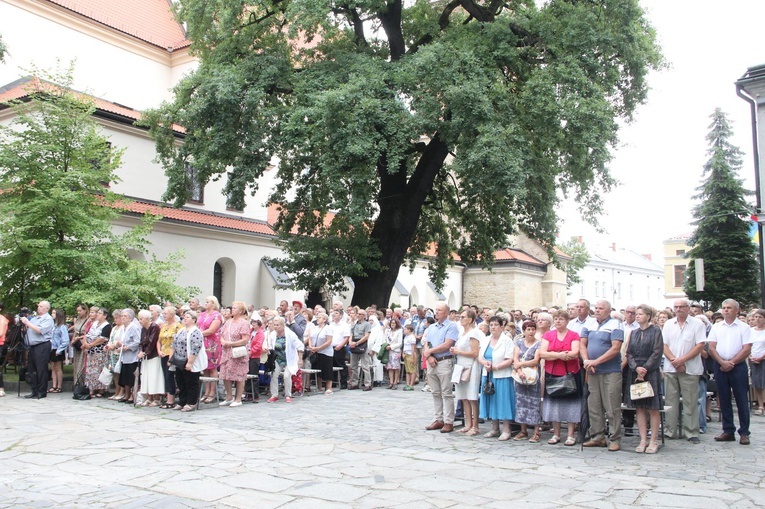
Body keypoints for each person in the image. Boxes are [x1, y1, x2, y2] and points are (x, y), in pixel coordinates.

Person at [708, 298, 753, 445]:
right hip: (720, 365)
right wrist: (722, 362)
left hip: (737, 366)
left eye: (729, 308)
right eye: (724, 308)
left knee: (741, 399)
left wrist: (731, 362)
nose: (726, 310)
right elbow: (712, 347)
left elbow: (746, 349)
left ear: (736, 310)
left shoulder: (744, 327)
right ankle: (728, 430)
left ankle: (744, 432)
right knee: (724, 399)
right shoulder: (717, 327)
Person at [661, 298, 707, 443]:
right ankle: (670, 430)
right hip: (671, 367)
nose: (679, 309)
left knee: (690, 401)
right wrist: (675, 361)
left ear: (688, 308)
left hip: (690, 368)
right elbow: (664, 345)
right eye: (676, 307)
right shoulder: (669, 324)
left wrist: (682, 360)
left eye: (682, 307)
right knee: (670, 401)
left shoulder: (697, 324)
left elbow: (699, 346)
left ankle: (691, 431)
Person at [581, 299, 624, 451]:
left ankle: (614, 438)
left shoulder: (615, 324)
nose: (597, 310)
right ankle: (597, 436)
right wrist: (586, 361)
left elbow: (615, 348)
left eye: (600, 308)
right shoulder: (589, 324)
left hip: (610, 371)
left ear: (608, 310)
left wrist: (596, 361)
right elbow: (582, 343)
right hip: (592, 370)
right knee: (594, 404)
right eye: (596, 308)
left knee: (611, 405)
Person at [625, 305, 664, 453]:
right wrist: (636, 368)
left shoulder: (655, 331)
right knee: (639, 407)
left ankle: (653, 440)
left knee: (653, 408)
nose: (637, 316)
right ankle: (643, 439)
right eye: (636, 314)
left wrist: (645, 368)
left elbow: (657, 351)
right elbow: (628, 352)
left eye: (640, 314)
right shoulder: (633, 332)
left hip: (651, 372)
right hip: (636, 372)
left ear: (648, 316)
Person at [540, 312, 581, 446]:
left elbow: (575, 353)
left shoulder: (574, 335)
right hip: (552, 373)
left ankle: (570, 434)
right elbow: (542, 353)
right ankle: (556, 433)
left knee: (571, 404)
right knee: (554, 404)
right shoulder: (548, 335)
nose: (558, 321)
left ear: (567, 321)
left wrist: (553, 355)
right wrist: (559, 355)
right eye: (556, 319)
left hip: (570, 374)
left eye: (561, 319)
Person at [423, 302, 459, 433]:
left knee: (446, 392)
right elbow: (427, 343)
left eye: (439, 310)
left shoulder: (451, 326)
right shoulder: (432, 327)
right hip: (432, 361)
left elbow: (447, 344)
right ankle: (438, 419)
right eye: (436, 310)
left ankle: (449, 421)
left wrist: (429, 351)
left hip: (444, 361)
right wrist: (428, 355)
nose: (436, 312)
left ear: (446, 313)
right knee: (435, 392)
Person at [478, 316, 516, 440]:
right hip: (488, 374)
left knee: (503, 400)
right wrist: (485, 363)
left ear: (501, 326)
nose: (493, 327)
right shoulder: (486, 340)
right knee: (491, 400)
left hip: (502, 374)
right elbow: (479, 356)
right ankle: (494, 428)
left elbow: (510, 359)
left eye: (495, 325)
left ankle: (506, 429)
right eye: (491, 325)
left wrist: (497, 367)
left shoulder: (507, 340)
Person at [450, 310, 483, 435]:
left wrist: (459, 352)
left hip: (471, 365)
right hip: (461, 365)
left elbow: (475, 353)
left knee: (472, 396)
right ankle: (468, 423)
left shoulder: (473, 333)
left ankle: (475, 425)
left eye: (463, 317)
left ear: (470, 319)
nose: (460, 319)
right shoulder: (462, 333)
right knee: (463, 396)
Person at [513, 316, 543, 443]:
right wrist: (519, 370)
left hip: (532, 375)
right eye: (528, 329)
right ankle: (523, 430)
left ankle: (536, 432)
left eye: (532, 329)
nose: (530, 331)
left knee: (533, 403)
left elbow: (536, 360)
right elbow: (515, 358)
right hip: (520, 375)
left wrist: (521, 365)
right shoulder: (519, 342)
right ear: (524, 331)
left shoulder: (539, 343)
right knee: (521, 403)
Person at [170, 310, 207, 412]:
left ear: (194, 320)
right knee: (180, 381)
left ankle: (191, 402)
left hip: (189, 360)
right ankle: (182, 401)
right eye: (184, 317)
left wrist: (190, 362)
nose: (185, 319)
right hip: (179, 360)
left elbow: (195, 348)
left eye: (188, 317)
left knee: (191, 382)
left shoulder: (196, 332)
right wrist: (171, 358)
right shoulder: (181, 330)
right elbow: (174, 344)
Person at [218, 301, 251, 407]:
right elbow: (221, 333)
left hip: (237, 353)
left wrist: (231, 343)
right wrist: (223, 341)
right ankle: (228, 397)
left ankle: (238, 398)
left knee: (239, 375)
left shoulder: (244, 323)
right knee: (225, 374)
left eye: (235, 308)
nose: (232, 310)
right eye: (232, 308)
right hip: (227, 352)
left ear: (241, 311)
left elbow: (245, 339)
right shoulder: (228, 322)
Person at [19, 301, 54, 399]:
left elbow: (39, 330)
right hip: (32, 346)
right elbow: (29, 329)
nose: (39, 307)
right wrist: (24, 325)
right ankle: (34, 390)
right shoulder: (34, 319)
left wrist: (27, 322)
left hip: (42, 345)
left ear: (47, 309)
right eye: (38, 306)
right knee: (32, 369)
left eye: (41, 306)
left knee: (41, 369)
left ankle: (41, 391)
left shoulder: (48, 319)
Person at [267, 316, 305, 403]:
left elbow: (300, 346)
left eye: (278, 325)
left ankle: (288, 395)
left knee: (287, 376)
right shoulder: (272, 334)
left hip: (289, 359)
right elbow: (270, 345)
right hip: (278, 359)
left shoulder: (290, 335)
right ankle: (274, 395)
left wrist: (300, 359)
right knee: (273, 374)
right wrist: (268, 349)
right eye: (274, 325)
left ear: (283, 325)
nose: (276, 327)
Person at [82, 307, 112, 399]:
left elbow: (103, 338)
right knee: (91, 369)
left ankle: (101, 389)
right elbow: (87, 334)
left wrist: (91, 344)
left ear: (105, 315)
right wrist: (85, 343)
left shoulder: (107, 326)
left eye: (100, 313)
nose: (97, 314)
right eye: (97, 313)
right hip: (91, 350)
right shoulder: (94, 323)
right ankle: (91, 388)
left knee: (99, 369)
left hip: (99, 350)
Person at [198, 296, 223, 404]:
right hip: (202, 342)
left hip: (212, 344)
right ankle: (206, 391)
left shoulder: (216, 316)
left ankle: (212, 392)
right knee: (205, 368)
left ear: (213, 304)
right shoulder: (202, 314)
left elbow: (211, 330)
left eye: (207, 302)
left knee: (212, 368)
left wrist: (197, 333)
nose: (205, 303)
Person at [138, 309, 164, 406]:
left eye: (141, 319)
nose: (139, 321)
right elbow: (141, 342)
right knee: (146, 377)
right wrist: (140, 351)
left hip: (153, 355)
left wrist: (144, 353)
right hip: (145, 356)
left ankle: (156, 398)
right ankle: (149, 397)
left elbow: (152, 342)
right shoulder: (143, 329)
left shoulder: (154, 327)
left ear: (147, 319)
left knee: (154, 376)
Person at [158, 306, 181, 409]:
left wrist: (171, 357)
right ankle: (168, 397)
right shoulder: (164, 326)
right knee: (166, 376)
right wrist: (159, 351)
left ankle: (171, 399)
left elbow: (178, 342)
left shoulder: (178, 326)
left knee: (170, 375)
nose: (164, 315)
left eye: (165, 313)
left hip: (172, 354)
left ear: (172, 314)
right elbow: (159, 340)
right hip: (163, 352)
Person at [306, 312, 333, 394]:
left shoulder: (328, 328)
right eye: (317, 317)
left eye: (320, 317)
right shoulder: (314, 328)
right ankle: (319, 387)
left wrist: (318, 348)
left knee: (327, 370)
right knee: (318, 369)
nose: (317, 319)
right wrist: (311, 347)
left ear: (324, 320)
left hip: (325, 352)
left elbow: (329, 341)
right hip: (315, 351)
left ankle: (329, 388)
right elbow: (309, 338)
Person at [117, 309, 141, 404]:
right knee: (125, 377)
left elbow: (137, 341)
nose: (123, 317)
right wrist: (119, 344)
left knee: (131, 377)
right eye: (122, 315)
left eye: (125, 316)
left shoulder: (134, 327)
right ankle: (126, 395)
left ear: (131, 318)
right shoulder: (123, 328)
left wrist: (127, 348)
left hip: (132, 356)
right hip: (124, 356)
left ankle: (132, 395)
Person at [348, 309, 373, 390]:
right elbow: (351, 334)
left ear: (364, 316)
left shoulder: (367, 324)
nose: (358, 315)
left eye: (360, 314)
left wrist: (357, 343)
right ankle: (354, 383)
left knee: (365, 366)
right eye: (357, 313)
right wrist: (350, 342)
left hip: (362, 344)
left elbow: (366, 336)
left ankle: (367, 384)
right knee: (353, 366)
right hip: (354, 344)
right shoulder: (354, 324)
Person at [46, 308, 69, 394]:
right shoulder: (54, 326)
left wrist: (59, 349)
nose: (52, 314)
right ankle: (54, 385)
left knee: (58, 368)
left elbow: (65, 340)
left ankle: (59, 386)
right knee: (52, 368)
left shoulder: (62, 327)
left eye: (54, 313)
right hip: (52, 348)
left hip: (58, 349)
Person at [328, 309, 350, 390]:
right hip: (331, 347)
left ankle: (344, 382)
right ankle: (333, 381)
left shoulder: (344, 325)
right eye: (334, 313)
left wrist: (341, 345)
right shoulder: (331, 325)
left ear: (341, 316)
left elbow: (346, 337)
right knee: (332, 364)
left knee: (341, 364)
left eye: (337, 313)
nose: (334, 315)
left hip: (340, 347)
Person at [105, 310, 125, 400]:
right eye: (115, 318)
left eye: (117, 318)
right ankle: (116, 390)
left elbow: (121, 340)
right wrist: (108, 345)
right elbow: (111, 339)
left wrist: (114, 345)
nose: (115, 320)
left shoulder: (123, 328)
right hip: (112, 352)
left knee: (119, 372)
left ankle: (121, 391)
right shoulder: (114, 328)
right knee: (114, 373)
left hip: (118, 352)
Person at [70, 304, 92, 382]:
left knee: (82, 363)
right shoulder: (78, 319)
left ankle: (82, 382)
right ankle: (76, 382)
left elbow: (88, 333)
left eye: (80, 311)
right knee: (76, 362)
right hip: (76, 342)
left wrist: (79, 338)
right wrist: (73, 340)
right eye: (78, 311)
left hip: (83, 341)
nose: (78, 312)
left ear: (85, 310)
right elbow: (75, 331)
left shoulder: (89, 320)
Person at [750, 309, 765, 416]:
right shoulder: (751, 331)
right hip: (753, 359)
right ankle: (760, 406)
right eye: (756, 317)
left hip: (763, 359)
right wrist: (750, 356)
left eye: (760, 317)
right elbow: (748, 345)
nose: (757, 319)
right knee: (757, 384)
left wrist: (761, 357)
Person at [248, 318, 265, 402]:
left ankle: (255, 394)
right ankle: (248, 393)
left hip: (255, 357)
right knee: (247, 375)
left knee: (254, 376)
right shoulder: (250, 332)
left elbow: (258, 345)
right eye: (252, 322)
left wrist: (251, 352)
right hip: (248, 355)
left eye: (255, 323)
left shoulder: (261, 334)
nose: (253, 324)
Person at [385, 317, 403, 389]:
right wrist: (386, 346)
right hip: (388, 351)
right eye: (391, 323)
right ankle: (391, 382)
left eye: (394, 323)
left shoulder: (399, 331)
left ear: (397, 324)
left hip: (395, 351)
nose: (392, 324)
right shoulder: (388, 331)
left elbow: (399, 343)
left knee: (396, 367)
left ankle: (395, 382)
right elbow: (385, 339)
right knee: (390, 367)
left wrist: (391, 347)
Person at [402, 324, 417, 391]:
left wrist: (412, 357)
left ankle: (411, 385)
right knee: (407, 371)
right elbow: (404, 346)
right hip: (406, 354)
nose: (404, 330)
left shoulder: (412, 337)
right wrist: (403, 353)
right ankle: (407, 384)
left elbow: (413, 347)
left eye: (405, 329)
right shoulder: (406, 337)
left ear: (409, 330)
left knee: (412, 370)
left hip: (410, 354)